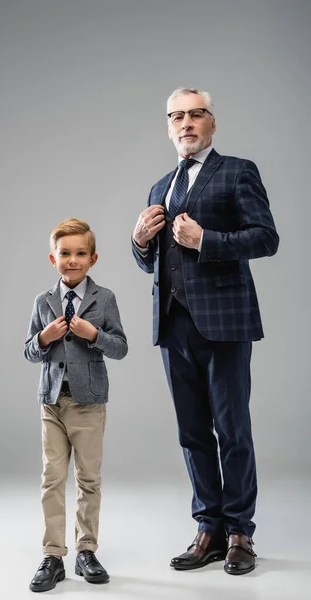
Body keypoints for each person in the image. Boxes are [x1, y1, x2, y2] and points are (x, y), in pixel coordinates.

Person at [132, 87, 279, 575]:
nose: (186, 123)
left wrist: (206, 239)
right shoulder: (159, 188)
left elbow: (265, 238)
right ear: (169, 126)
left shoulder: (238, 171)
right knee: (192, 433)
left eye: (196, 114)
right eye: (177, 116)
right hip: (173, 326)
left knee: (232, 430)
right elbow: (152, 260)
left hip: (225, 323)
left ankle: (240, 532)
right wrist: (138, 241)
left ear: (212, 123)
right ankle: (209, 530)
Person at [25, 218, 128, 592]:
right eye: (65, 253)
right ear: (53, 258)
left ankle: (87, 551)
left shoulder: (105, 299)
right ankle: (53, 556)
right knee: (51, 478)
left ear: (93, 258)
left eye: (80, 253)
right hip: (52, 402)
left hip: (88, 404)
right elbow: (29, 352)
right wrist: (44, 335)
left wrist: (95, 334)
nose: (72, 260)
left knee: (88, 479)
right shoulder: (43, 301)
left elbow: (120, 347)